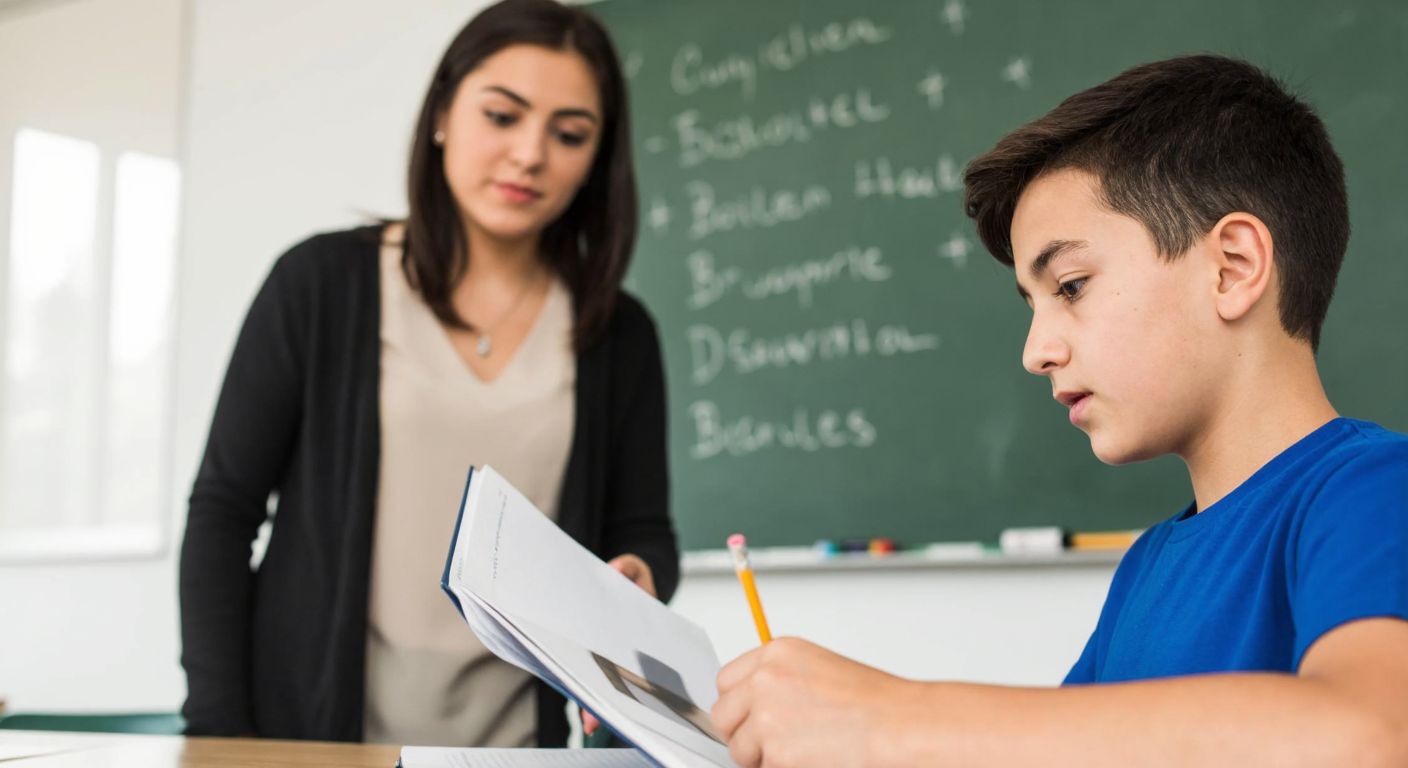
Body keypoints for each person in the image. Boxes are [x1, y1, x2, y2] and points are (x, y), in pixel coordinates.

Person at [709, 54, 1408, 767]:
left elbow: (1373, 735)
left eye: (1070, 286)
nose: (1036, 350)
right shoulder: (1147, 568)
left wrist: (891, 718)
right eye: (1033, 304)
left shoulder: (1376, 489)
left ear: (1231, 266)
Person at [179, 0, 678, 748]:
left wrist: (636, 577)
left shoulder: (619, 333)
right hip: (310, 742)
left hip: (517, 745)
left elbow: (643, 534)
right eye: (503, 116)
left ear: (596, 159)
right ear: (442, 113)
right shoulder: (321, 285)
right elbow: (222, 515)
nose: (530, 155)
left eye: (569, 134)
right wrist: (221, 735)